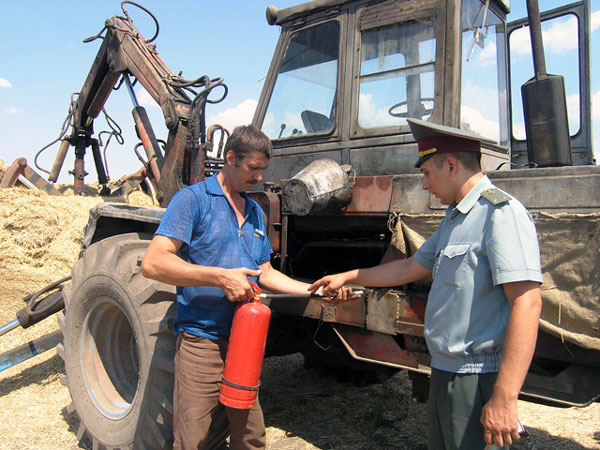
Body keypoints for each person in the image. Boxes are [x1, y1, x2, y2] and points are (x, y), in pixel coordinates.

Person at [309, 118, 543, 450]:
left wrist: (505, 398)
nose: (424, 185)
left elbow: (527, 303)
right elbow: (410, 266)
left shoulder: (500, 214)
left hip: (477, 376)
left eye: (427, 174)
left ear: (450, 165)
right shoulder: (455, 218)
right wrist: (348, 276)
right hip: (446, 371)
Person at [141, 125, 347, 450]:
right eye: (253, 168)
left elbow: (264, 272)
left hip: (245, 341)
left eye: (263, 170)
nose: (259, 178)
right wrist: (220, 277)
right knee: (193, 439)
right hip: (202, 342)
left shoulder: (253, 211)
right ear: (231, 158)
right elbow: (153, 263)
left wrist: (310, 291)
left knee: (251, 438)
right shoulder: (193, 200)